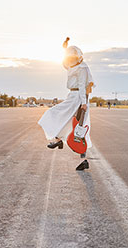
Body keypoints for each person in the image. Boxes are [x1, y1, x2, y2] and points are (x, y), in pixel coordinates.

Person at [38, 37, 93, 171]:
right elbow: (65, 64)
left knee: (78, 131)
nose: (71, 61)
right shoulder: (74, 66)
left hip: (78, 98)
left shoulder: (82, 69)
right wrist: (64, 48)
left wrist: (84, 103)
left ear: (79, 58)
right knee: (71, 125)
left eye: (73, 58)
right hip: (73, 96)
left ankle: (63, 144)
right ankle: (59, 140)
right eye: (70, 59)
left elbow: (81, 86)